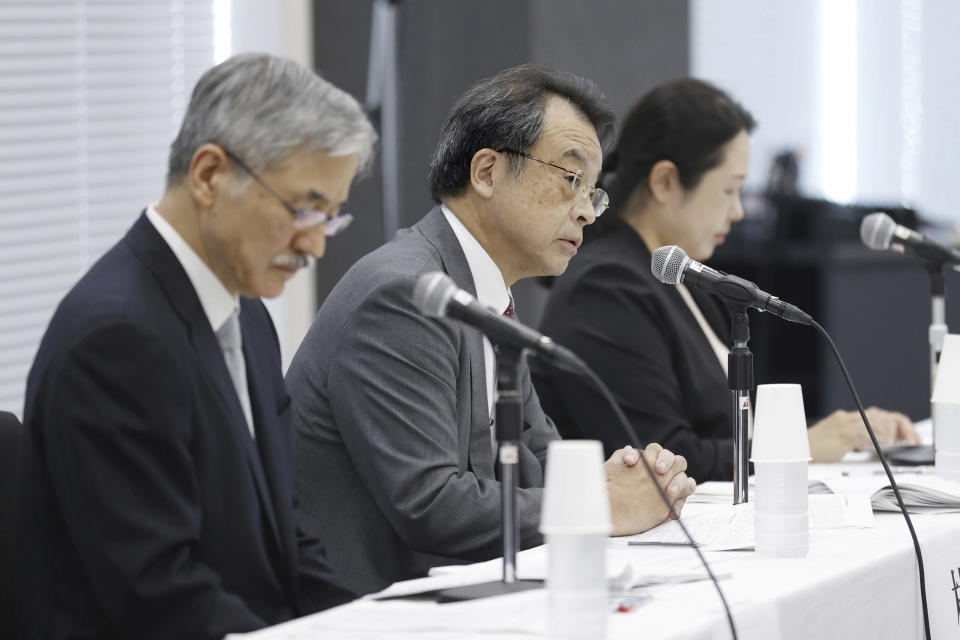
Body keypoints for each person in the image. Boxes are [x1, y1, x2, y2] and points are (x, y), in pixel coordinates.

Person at [287, 65, 697, 596]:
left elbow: (540, 453)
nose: (586, 212)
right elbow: (430, 503)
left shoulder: (485, 292)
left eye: (593, 193)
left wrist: (621, 478)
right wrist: (600, 504)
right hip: (363, 613)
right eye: (571, 179)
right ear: (486, 172)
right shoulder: (406, 295)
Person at [19, 53, 376, 639]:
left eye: (330, 218)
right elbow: (159, 595)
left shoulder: (248, 317)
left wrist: (373, 626)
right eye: (303, 208)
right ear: (209, 175)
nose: (315, 244)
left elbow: (288, 545)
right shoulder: (116, 340)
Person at [532, 78, 921, 481]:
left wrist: (834, 435)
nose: (736, 212)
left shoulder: (683, 275)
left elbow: (728, 432)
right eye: (729, 190)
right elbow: (661, 456)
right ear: (665, 182)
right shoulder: (607, 286)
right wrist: (803, 445)